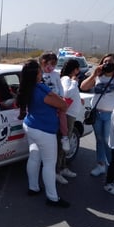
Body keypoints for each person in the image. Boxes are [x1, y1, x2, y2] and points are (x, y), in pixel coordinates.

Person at [17, 59, 70, 208]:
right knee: (49, 163)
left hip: (30, 126)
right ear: (36, 74)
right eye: (40, 71)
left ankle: (33, 187)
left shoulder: (27, 87)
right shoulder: (40, 90)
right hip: (44, 130)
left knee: (34, 157)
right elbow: (63, 104)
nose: (43, 73)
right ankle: (52, 198)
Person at [39, 53, 71, 184]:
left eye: (52, 64)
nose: (49, 67)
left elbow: (61, 88)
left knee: (62, 115)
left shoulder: (56, 74)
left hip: (56, 99)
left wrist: (62, 98)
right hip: (46, 102)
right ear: (41, 62)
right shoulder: (38, 74)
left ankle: (65, 137)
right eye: (47, 64)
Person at [56, 59, 83, 183]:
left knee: (63, 144)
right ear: (75, 69)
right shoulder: (67, 79)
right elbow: (67, 93)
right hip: (67, 115)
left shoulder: (67, 79)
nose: (79, 71)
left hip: (70, 114)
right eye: (78, 69)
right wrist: (74, 82)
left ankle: (62, 167)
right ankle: (57, 171)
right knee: (62, 143)